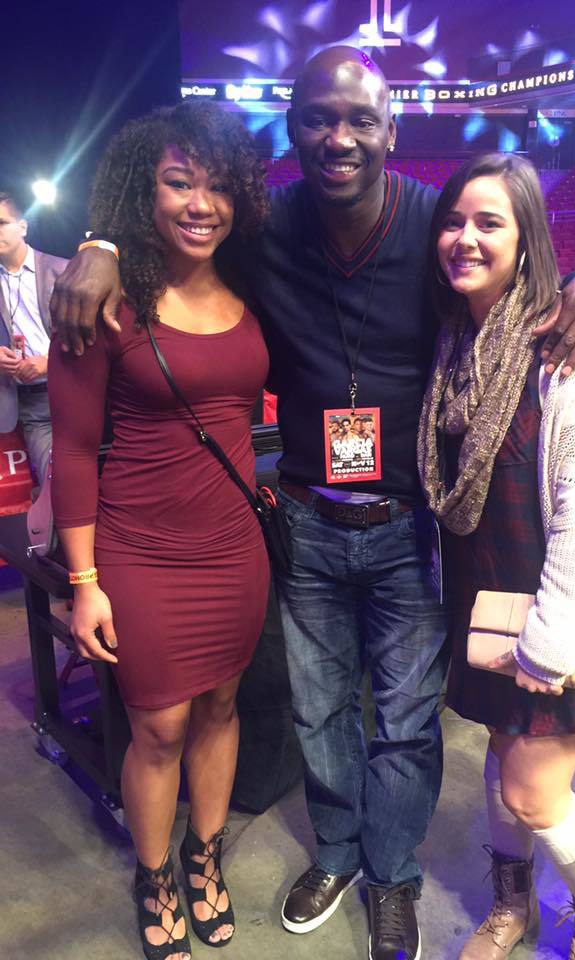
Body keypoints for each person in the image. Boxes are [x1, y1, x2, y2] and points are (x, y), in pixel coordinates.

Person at [50, 47, 575, 960]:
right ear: (293, 127)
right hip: (306, 518)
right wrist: (100, 244)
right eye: (319, 118)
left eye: (360, 120)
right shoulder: (263, 228)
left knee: (404, 723)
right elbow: (171, 216)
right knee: (319, 714)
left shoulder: (434, 222)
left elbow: (519, 260)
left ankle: (391, 875)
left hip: (407, 525)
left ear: (390, 131)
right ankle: (340, 855)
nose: (339, 137)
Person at [48, 102, 270, 960]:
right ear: (144, 191)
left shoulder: (250, 283)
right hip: (139, 554)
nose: (199, 204)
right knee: (158, 729)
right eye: (179, 183)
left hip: (235, 549)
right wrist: (84, 582)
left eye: (217, 186)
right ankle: (155, 874)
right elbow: (73, 451)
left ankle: (203, 856)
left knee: (221, 706)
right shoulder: (101, 304)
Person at [417, 153, 575, 959]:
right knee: (499, 759)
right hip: (482, 602)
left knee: (535, 792)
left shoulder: (573, 347)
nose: (466, 238)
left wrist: (546, 646)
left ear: (525, 241)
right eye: (453, 221)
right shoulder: (455, 340)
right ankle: (512, 907)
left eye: (490, 223)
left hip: (554, 612)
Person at [0, 192, 67, 481]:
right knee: (54, 482)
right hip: (29, 402)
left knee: (85, 479)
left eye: (1, 223)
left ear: (23, 226)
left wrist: (50, 361)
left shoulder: (63, 270)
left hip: (73, 390)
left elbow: (95, 337)